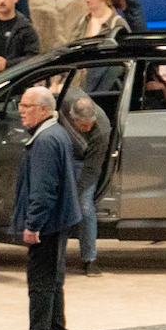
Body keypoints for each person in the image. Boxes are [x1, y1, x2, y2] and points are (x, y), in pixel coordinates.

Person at [9, 88, 80, 330]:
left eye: (27, 106)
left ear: (43, 109)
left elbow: (43, 189)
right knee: (53, 280)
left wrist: (33, 224)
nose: (21, 110)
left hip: (47, 225)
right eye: (21, 104)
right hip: (58, 221)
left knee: (40, 283)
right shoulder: (56, 132)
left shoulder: (45, 140)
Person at [61, 94, 110, 277]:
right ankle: (56, 256)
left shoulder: (101, 128)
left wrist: (76, 192)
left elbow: (92, 168)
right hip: (63, 154)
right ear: (73, 118)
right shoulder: (64, 104)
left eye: (90, 124)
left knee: (85, 206)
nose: (88, 128)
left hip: (84, 162)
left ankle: (90, 258)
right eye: (83, 125)